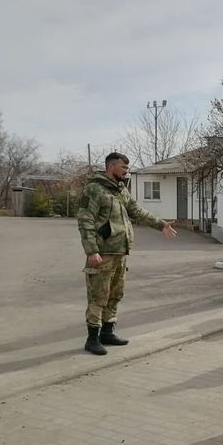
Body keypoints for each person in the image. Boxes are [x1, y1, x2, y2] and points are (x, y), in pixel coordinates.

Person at [77, 152, 177, 356]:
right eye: (123, 167)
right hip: (102, 253)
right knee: (98, 296)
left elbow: (137, 211)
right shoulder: (94, 189)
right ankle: (92, 339)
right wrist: (91, 250)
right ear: (111, 166)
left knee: (115, 294)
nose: (126, 171)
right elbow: (85, 220)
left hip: (120, 252)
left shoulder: (120, 189)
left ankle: (107, 332)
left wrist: (161, 224)